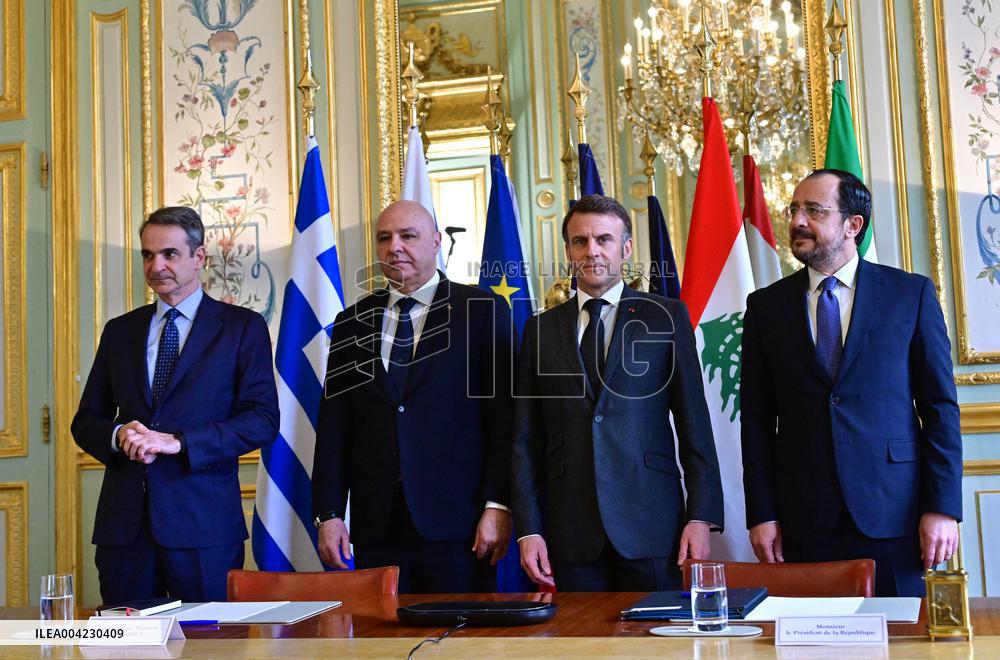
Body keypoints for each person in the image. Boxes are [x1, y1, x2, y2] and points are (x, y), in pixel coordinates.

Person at [740, 169, 963, 596]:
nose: (797, 221)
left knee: (902, 632)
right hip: (802, 518)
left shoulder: (909, 295)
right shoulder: (765, 307)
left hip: (895, 513)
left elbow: (940, 409)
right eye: (794, 209)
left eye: (814, 210)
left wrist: (942, 507)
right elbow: (756, 420)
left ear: (853, 225)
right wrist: (762, 514)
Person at [511, 194, 724, 592]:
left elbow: (694, 421)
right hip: (570, 531)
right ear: (568, 251)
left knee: (656, 632)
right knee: (580, 633)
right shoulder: (539, 330)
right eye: (580, 241)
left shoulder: (665, 316)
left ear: (626, 248)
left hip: (652, 524)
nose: (591, 250)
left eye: (603, 240)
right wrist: (529, 529)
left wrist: (701, 515)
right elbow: (525, 439)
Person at [72, 206, 279, 604]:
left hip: (204, 528)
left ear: (199, 257)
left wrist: (178, 441)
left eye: (169, 254)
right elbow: (85, 421)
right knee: (124, 638)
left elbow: (262, 420)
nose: (157, 266)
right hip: (125, 532)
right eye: (148, 255)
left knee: (208, 637)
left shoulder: (242, 327)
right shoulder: (120, 331)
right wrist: (118, 434)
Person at [312, 200, 515, 593]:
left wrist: (498, 505)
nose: (395, 247)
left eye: (408, 236)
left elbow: (504, 421)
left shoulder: (482, 311)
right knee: (380, 632)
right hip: (377, 528)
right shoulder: (351, 323)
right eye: (384, 238)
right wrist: (329, 513)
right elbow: (335, 426)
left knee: (461, 631)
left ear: (436, 241)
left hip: (460, 527)